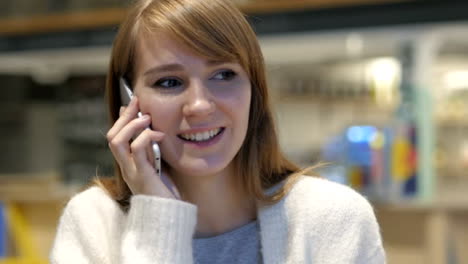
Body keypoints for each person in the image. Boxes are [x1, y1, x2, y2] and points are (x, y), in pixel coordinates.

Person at [50, 0, 386, 263]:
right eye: (169, 82)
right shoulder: (93, 222)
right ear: (128, 101)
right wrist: (158, 215)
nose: (199, 105)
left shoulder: (333, 217)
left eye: (224, 75)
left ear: (255, 89)